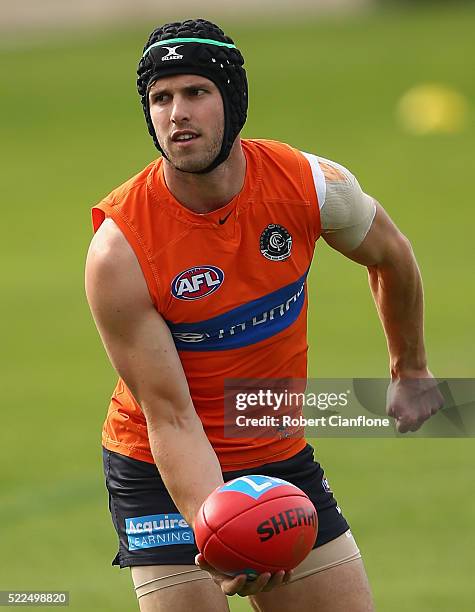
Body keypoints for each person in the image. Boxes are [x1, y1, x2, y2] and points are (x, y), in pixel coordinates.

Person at [85, 18, 443, 612]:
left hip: (272, 449)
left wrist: (410, 367)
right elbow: (170, 417)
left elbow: (394, 258)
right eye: (160, 97)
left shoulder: (310, 185)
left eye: (196, 92)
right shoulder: (120, 250)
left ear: (233, 100)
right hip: (158, 464)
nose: (177, 113)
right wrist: (221, 530)